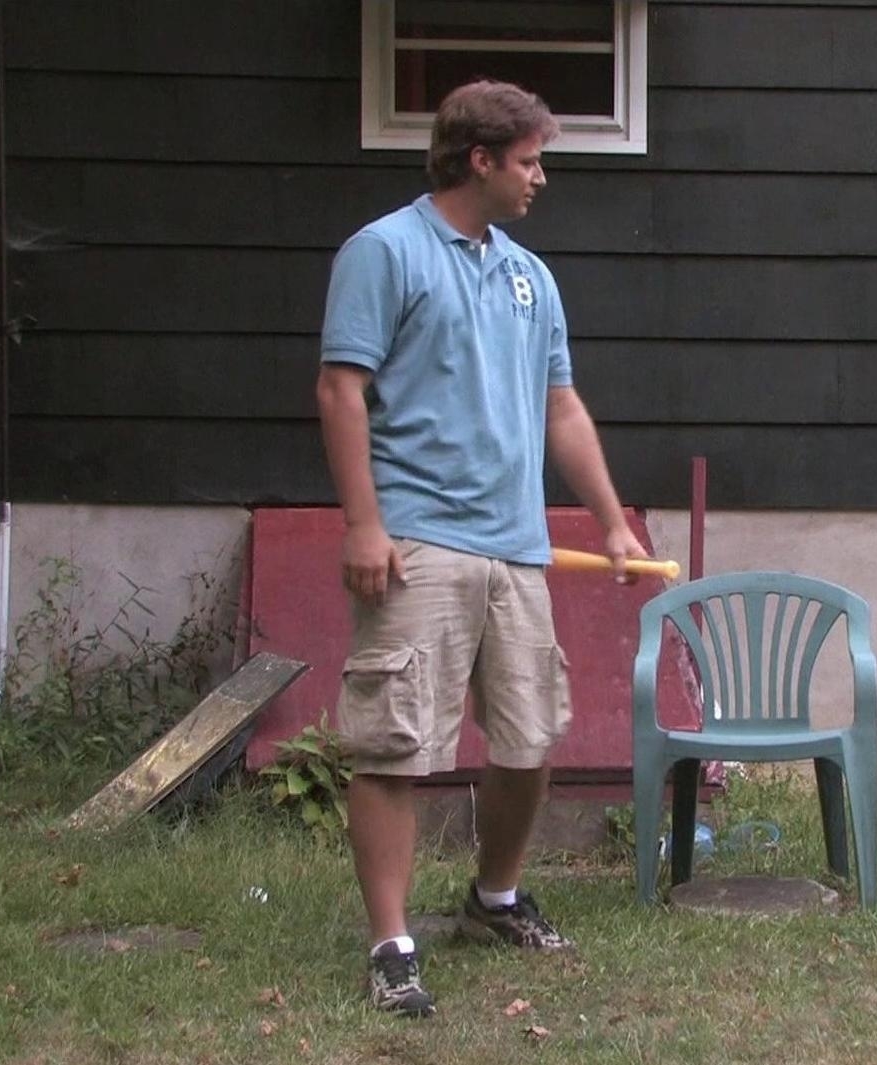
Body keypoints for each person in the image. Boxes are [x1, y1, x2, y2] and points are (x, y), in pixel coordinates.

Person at [316, 79, 647, 1017]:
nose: (540, 177)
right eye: (529, 161)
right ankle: (391, 945)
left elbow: (561, 407)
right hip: (417, 539)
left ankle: (493, 899)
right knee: (394, 745)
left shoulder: (530, 275)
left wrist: (612, 519)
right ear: (480, 159)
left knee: (531, 735)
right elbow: (341, 390)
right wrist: (364, 523)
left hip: (516, 545)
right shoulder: (385, 251)